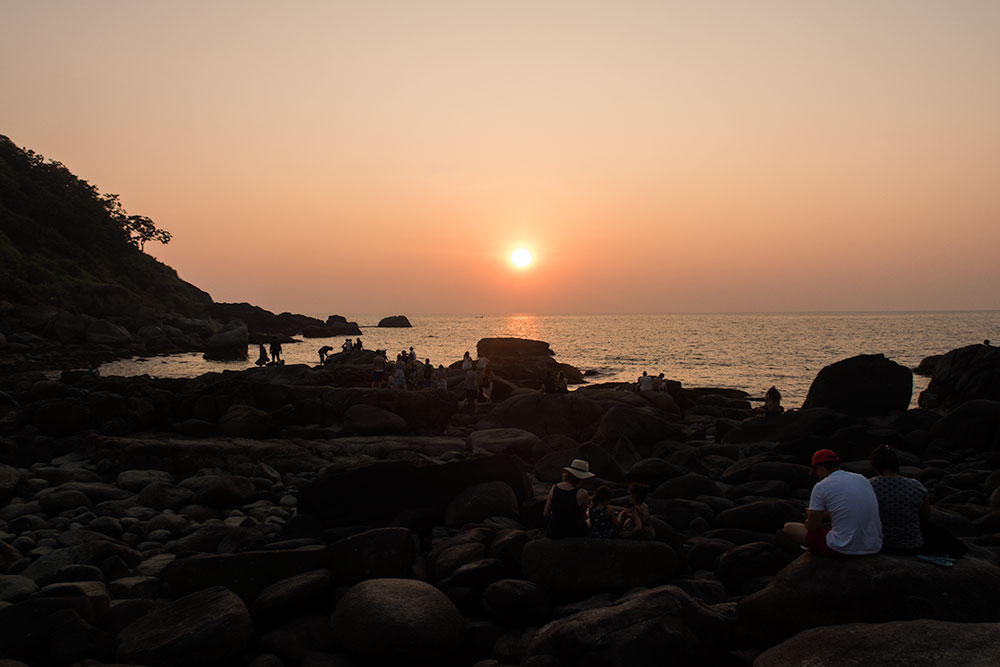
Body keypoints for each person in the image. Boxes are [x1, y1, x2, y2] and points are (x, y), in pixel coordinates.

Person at [781, 449, 882, 557]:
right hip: (874, 545)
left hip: (844, 548)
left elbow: (812, 527)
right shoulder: (861, 479)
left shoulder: (822, 486)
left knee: (789, 528)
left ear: (820, 469)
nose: (817, 476)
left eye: (815, 473)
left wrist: (809, 517)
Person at [869, 445, 930, 554]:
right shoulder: (916, 485)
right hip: (912, 545)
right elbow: (926, 515)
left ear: (874, 465)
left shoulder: (868, 486)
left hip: (880, 544)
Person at [543, 459, 594, 539]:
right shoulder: (583, 493)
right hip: (573, 532)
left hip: (553, 531)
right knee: (591, 521)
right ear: (581, 478)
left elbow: (545, 513)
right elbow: (582, 517)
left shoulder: (554, 487)